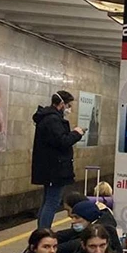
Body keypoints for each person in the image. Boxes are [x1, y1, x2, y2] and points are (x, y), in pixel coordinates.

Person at [32, 90, 85, 229]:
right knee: (52, 202)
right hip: (55, 168)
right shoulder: (52, 120)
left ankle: (41, 232)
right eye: (68, 105)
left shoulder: (47, 118)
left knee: (47, 201)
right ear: (61, 104)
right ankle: (43, 233)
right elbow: (62, 141)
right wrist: (76, 133)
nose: (69, 109)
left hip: (49, 167)